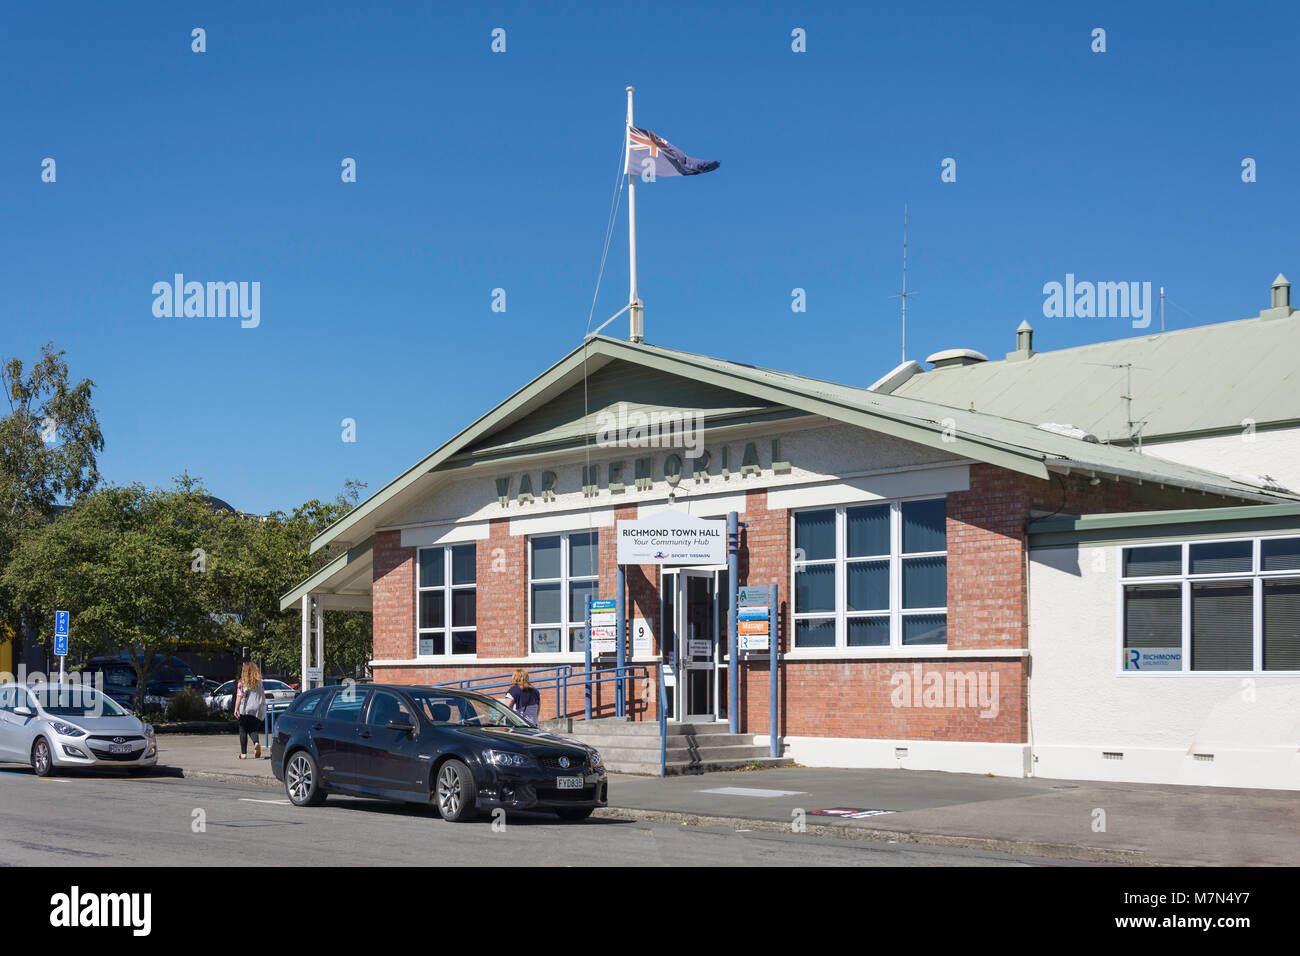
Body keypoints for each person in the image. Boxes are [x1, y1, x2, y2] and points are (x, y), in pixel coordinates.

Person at [233, 662, 267, 759]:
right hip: (258, 709)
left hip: (246, 708)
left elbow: (239, 696)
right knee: (252, 729)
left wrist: (236, 709)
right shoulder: (259, 682)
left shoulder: (242, 682)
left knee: (243, 729)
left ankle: (243, 754)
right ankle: (256, 743)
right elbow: (263, 695)